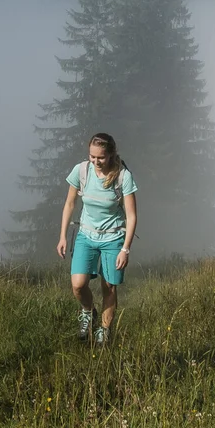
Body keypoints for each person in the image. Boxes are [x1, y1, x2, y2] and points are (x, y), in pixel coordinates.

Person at [56, 132, 137, 345]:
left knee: (109, 286)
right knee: (78, 284)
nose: (95, 161)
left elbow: (131, 215)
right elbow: (70, 204)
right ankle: (88, 312)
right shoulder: (81, 171)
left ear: (110, 154)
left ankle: (104, 330)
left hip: (113, 238)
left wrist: (125, 249)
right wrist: (63, 236)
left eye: (100, 157)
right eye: (92, 156)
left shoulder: (123, 177)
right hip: (86, 235)